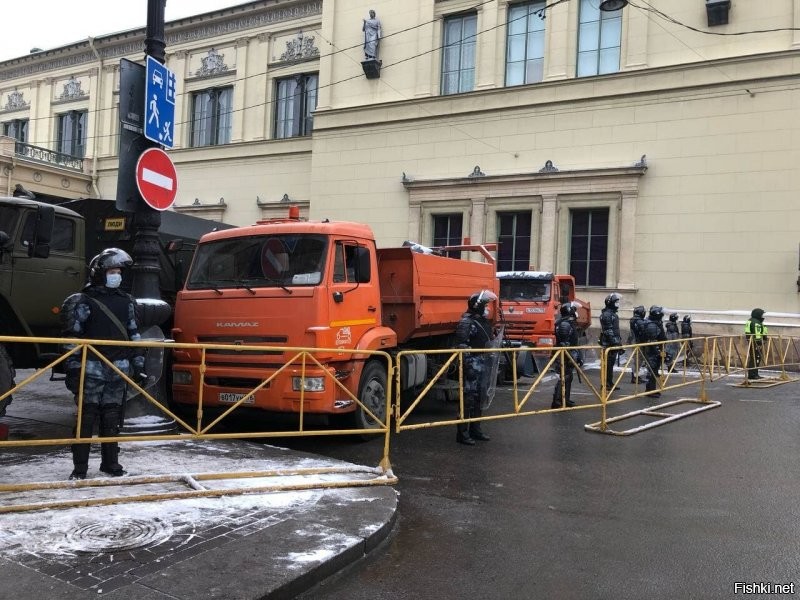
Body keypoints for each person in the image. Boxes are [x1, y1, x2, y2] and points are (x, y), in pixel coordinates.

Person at [61, 248, 145, 480]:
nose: (116, 275)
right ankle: (80, 468)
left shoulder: (127, 301)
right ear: (100, 272)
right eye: (111, 270)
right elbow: (72, 339)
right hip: (91, 368)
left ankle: (111, 464)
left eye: (118, 271)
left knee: (112, 417)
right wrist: (74, 368)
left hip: (118, 368)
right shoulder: (82, 300)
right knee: (85, 418)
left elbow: (133, 334)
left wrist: (138, 364)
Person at [454, 289, 497, 445]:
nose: (487, 307)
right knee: (467, 399)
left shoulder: (482, 321)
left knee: (480, 397)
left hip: (483, 363)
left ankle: (476, 429)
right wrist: (467, 366)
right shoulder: (466, 322)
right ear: (477, 305)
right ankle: (462, 433)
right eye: (484, 304)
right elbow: (461, 346)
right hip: (472, 365)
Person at [552, 303, 582, 409]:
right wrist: (571, 356)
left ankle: (565, 399)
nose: (575, 311)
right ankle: (558, 401)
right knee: (564, 377)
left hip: (567, 354)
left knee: (568, 377)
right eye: (574, 309)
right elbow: (565, 343)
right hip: (564, 355)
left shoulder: (568, 322)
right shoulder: (565, 324)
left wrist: (577, 355)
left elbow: (573, 342)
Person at [641, 305, 667, 398]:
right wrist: (658, 351)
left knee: (654, 370)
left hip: (655, 350)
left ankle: (652, 389)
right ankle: (649, 391)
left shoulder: (655, 322)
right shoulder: (652, 325)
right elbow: (652, 341)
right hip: (652, 352)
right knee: (651, 370)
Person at [599, 293, 622, 392]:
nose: (617, 304)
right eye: (616, 302)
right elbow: (608, 331)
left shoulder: (612, 314)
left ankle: (609, 382)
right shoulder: (607, 315)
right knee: (607, 365)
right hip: (608, 344)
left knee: (610, 365)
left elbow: (614, 331)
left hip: (612, 343)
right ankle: (605, 384)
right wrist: (616, 343)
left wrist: (618, 343)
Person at [744, 308, 768, 379]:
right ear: (758, 314)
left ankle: (754, 374)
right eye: (761, 314)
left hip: (752, 341)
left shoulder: (751, 320)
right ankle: (753, 375)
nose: (762, 315)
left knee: (754, 358)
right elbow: (757, 333)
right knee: (756, 358)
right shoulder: (756, 322)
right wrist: (760, 343)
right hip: (755, 342)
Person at [627, 305, 646, 384]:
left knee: (637, 360)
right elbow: (643, 333)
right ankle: (635, 377)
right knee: (638, 360)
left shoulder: (634, 320)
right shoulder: (639, 321)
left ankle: (636, 376)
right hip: (638, 342)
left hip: (635, 341)